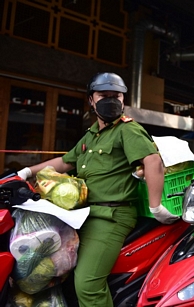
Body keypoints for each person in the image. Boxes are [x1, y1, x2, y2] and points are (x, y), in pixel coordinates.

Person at [17, 72, 178, 307]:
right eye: (104, 95)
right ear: (91, 100)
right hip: (85, 216)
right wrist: (26, 172)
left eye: (117, 96)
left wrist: (156, 206)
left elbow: (152, 161)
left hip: (111, 217)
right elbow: (65, 162)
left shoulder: (127, 130)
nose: (111, 101)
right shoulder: (92, 135)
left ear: (123, 100)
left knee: (88, 285)